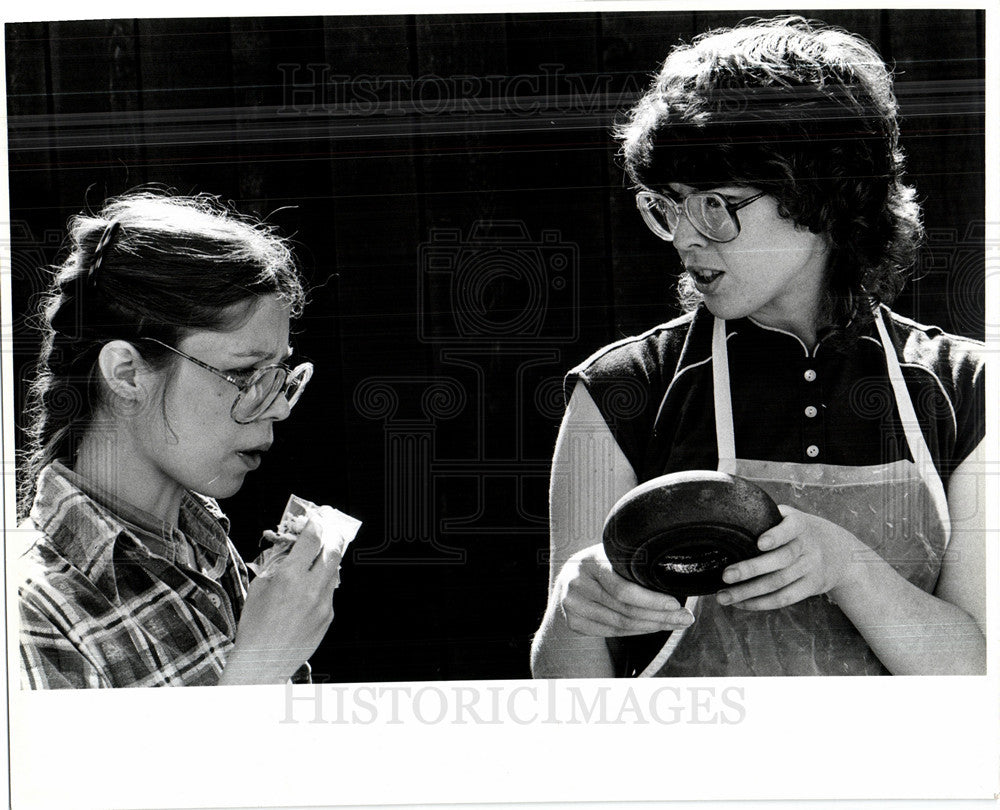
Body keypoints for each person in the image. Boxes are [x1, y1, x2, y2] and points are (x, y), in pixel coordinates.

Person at [531, 17, 985, 677]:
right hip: (692, 783)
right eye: (672, 204)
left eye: (715, 203)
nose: (686, 236)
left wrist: (845, 567)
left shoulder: (968, 388)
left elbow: (978, 676)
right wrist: (575, 609)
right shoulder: (620, 390)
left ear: (819, 193)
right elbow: (565, 695)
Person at [16, 188, 346, 688]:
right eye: (245, 373)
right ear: (127, 373)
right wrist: (259, 670)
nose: (278, 405)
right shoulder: (33, 615)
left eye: (280, 374)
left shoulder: (203, 544)